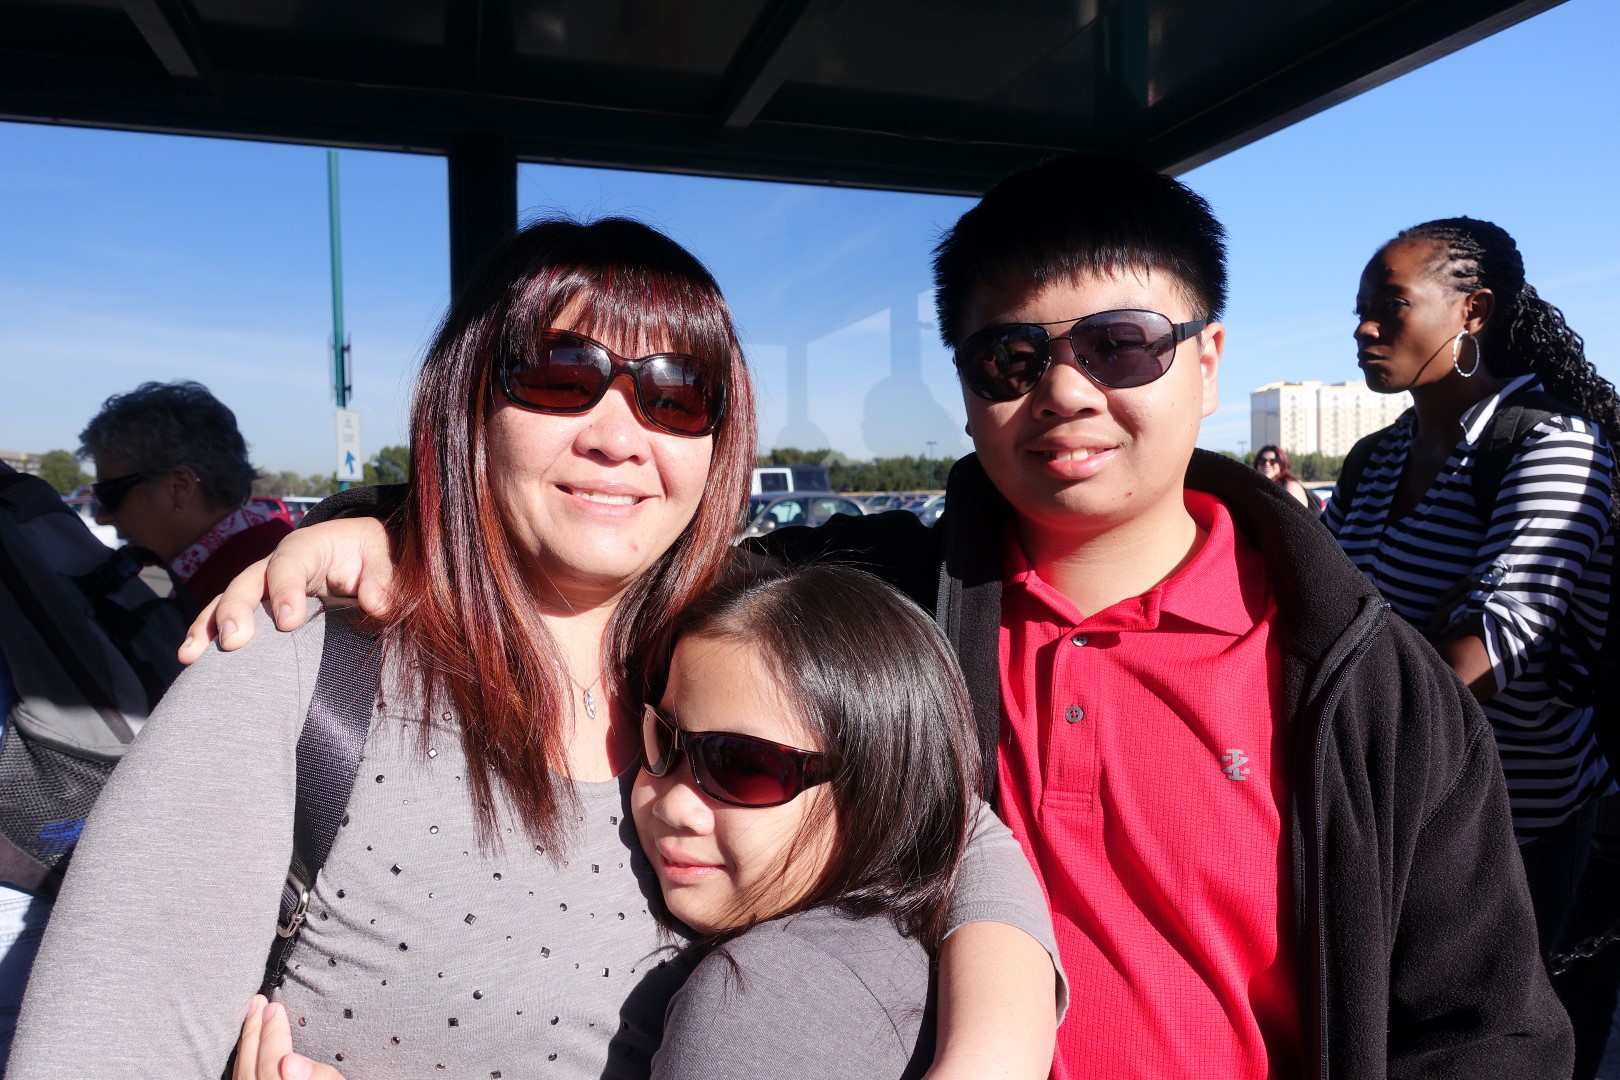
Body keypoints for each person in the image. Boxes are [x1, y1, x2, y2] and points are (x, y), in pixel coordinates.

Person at [186, 156, 1573, 1078]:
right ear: (968, 390)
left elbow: (1485, 1035)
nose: (1066, 391)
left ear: (1208, 362)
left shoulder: (1365, 685)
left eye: (1121, 346)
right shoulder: (871, 610)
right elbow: (617, 549)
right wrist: (395, 530)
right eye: (1012, 357)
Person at [7, 219, 1060, 1079]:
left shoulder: (737, 649)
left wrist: (988, 1059)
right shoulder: (294, 671)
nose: (619, 435)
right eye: (561, 376)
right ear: (467, 406)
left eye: (675, 394)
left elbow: (949, 830)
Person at [236, 562, 1003, 1080]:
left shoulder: (763, 1002)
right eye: (662, 742)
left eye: (742, 766)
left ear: (882, 785)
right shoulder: (899, 944)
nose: (673, 802)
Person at [1327, 217, 1617, 1071]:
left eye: (1390, 306)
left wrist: (1335, 712)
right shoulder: (1374, 461)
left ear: (1474, 311)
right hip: (1392, 821)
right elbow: (1318, 620)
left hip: (1522, 826)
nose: (1363, 328)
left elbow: (1490, 648)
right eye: (1358, 308)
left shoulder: (1551, 441)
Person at [78, 380, 293, 611]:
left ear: (179, 486)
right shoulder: (177, 572)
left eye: (109, 493)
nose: (102, 517)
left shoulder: (266, 581)